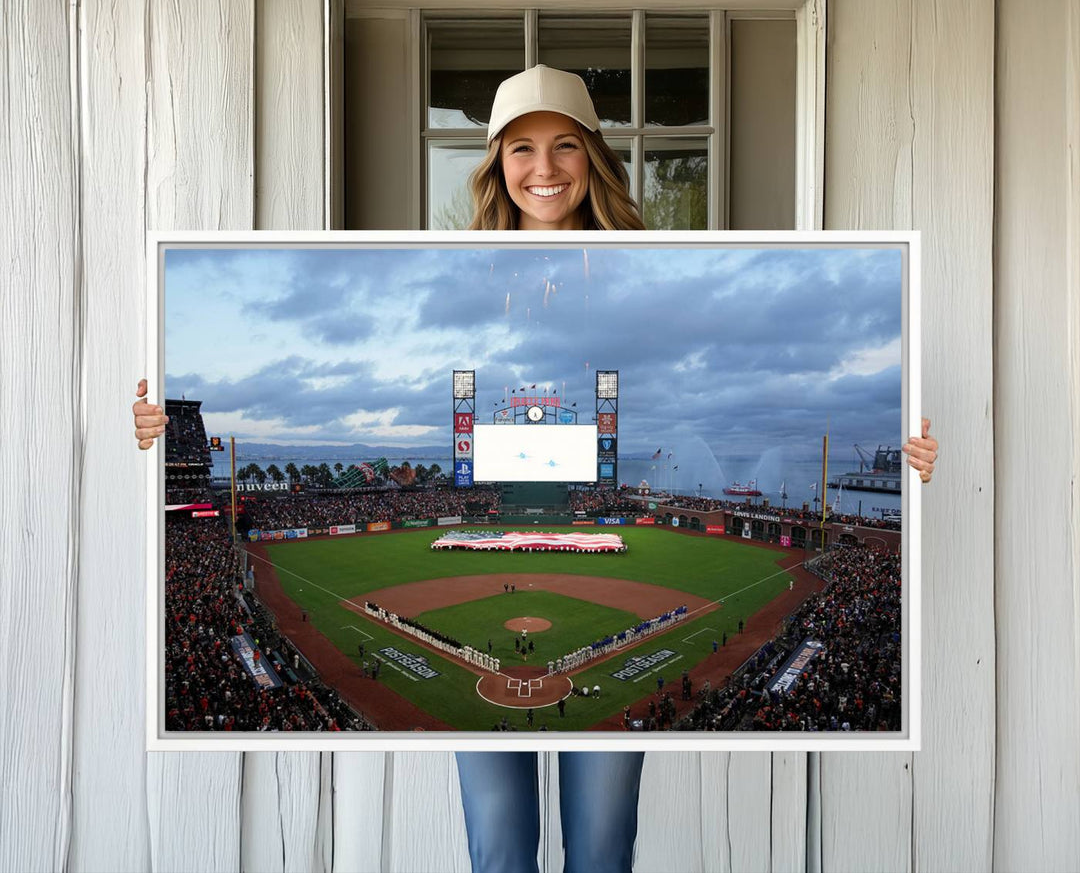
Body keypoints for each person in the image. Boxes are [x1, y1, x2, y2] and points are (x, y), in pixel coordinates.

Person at [131, 64, 940, 873]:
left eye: (564, 146)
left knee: (600, 845)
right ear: (495, 163)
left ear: (593, 156)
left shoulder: (653, 262)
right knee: (500, 846)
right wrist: (157, 434)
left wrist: (911, 459)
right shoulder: (459, 266)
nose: (544, 168)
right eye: (521, 148)